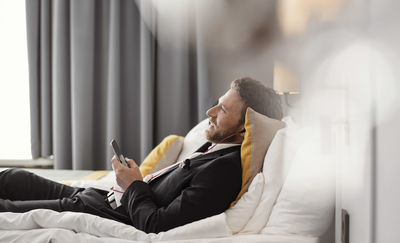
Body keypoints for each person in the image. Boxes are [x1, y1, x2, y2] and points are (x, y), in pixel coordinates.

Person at [0, 77, 282, 233]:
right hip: (99, 198)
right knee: (13, 177)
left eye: (222, 111)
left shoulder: (225, 171)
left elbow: (157, 224)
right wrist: (131, 181)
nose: (210, 113)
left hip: (102, 212)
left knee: (8, 209)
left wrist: (134, 183)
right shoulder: (213, 149)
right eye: (216, 105)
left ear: (245, 130)